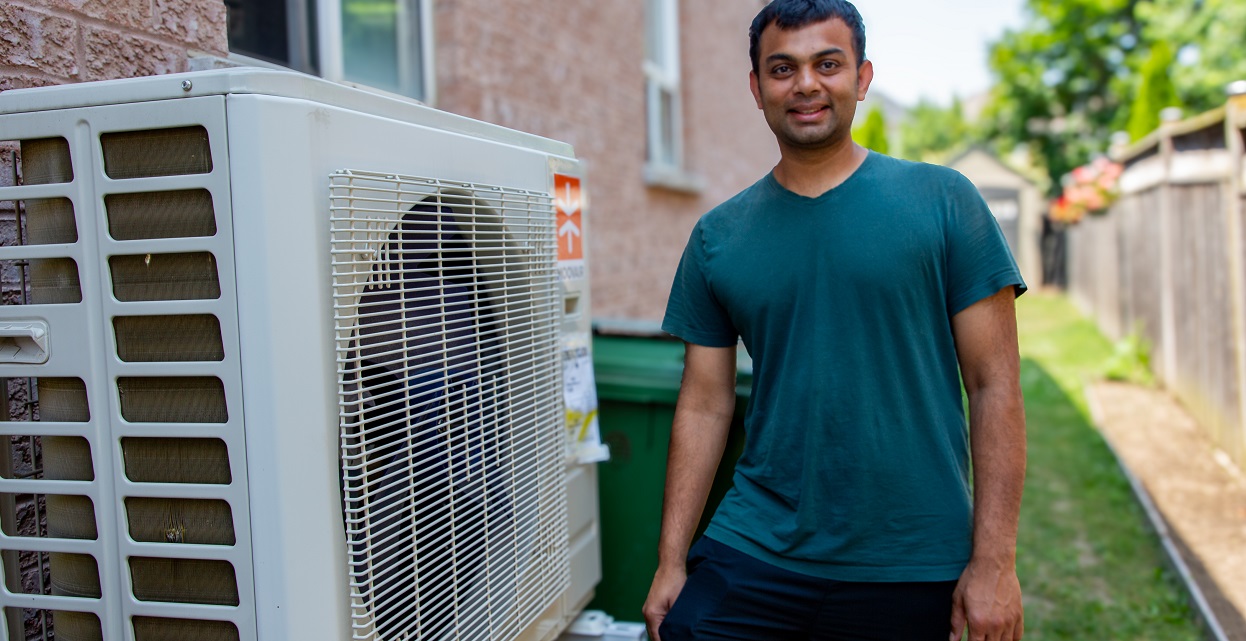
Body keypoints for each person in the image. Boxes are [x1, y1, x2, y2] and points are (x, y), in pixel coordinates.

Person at [640, 1, 1027, 640]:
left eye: (828, 64)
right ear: (757, 88)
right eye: (783, 68)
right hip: (756, 543)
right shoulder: (718, 237)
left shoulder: (944, 201)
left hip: (912, 556)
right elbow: (705, 404)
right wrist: (670, 561)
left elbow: (995, 386)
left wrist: (994, 563)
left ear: (863, 77)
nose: (807, 85)